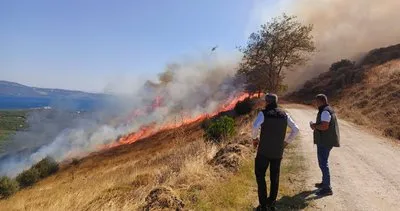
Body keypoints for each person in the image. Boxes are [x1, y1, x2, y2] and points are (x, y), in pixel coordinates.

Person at [252, 93, 299, 211]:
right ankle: (271, 203)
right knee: (275, 177)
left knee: (260, 175)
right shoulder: (285, 115)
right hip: (277, 152)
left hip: (263, 152)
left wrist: (255, 139)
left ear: (267, 102)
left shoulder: (263, 113)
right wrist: (286, 142)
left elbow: (255, 127)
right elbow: (296, 129)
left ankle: (263, 205)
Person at [310, 94, 340, 196]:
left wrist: (314, 126)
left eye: (316, 101)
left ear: (321, 101)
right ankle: (324, 183)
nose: (315, 103)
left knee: (323, 163)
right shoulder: (327, 109)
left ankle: (327, 188)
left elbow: (324, 126)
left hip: (325, 141)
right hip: (326, 140)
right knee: (323, 162)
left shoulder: (325, 111)